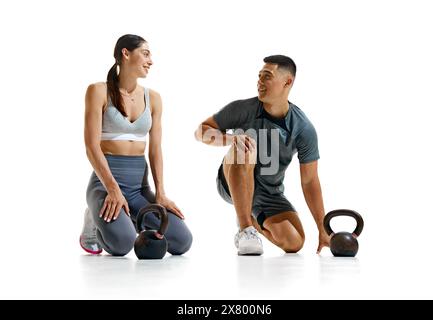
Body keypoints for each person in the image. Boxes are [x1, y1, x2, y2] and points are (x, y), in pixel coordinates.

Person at [195, 55, 330, 255]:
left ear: (287, 82)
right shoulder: (242, 109)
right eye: (259, 76)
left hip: (269, 193)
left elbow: (310, 180)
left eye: (266, 76)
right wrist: (231, 139)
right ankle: (245, 230)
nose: (259, 82)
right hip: (231, 179)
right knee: (245, 145)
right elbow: (201, 131)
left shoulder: (303, 127)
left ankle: (249, 217)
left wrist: (322, 228)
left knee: (294, 242)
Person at [80, 34, 193, 256]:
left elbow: (155, 149)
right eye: (146, 53)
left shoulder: (154, 98)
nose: (151, 61)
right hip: (105, 185)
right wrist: (113, 189)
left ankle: (129, 216)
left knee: (181, 241)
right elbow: (92, 146)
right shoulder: (98, 91)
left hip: (139, 189)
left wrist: (160, 193)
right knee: (122, 245)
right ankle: (94, 218)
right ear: (125, 53)